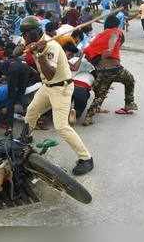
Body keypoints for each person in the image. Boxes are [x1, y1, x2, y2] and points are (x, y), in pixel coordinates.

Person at [20, 16, 94, 176]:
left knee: (61, 126)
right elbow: (15, 51)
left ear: (34, 32)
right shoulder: (28, 39)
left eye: (26, 35)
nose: (24, 38)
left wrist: (39, 53)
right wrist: (27, 47)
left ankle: (86, 158)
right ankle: (25, 141)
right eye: (23, 35)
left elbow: (51, 74)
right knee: (31, 111)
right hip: (47, 87)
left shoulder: (50, 45)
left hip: (61, 87)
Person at [83, 15, 138, 126]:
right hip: (114, 70)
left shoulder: (99, 36)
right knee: (130, 80)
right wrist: (110, 48)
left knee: (101, 93)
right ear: (116, 25)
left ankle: (89, 116)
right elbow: (114, 36)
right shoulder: (115, 31)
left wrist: (99, 63)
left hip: (103, 71)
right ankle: (128, 105)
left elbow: (88, 53)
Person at [63, 42, 95, 121]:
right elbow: (75, 68)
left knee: (65, 102)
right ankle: (76, 113)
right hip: (81, 88)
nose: (70, 57)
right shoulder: (90, 70)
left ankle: (66, 112)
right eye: (70, 54)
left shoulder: (70, 60)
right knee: (82, 100)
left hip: (68, 86)